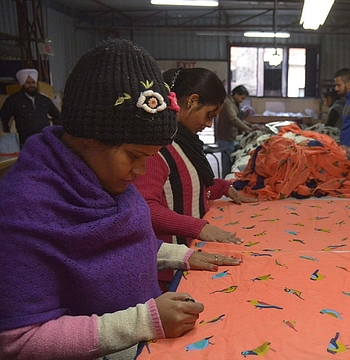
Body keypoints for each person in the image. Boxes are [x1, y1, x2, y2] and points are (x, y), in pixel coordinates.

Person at [0, 39, 242, 360]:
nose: (140, 172)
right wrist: (141, 322)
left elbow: (125, 244)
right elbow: (18, 340)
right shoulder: (24, 211)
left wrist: (179, 256)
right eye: (133, 155)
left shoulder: (105, 179)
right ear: (86, 137)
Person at [134, 67, 257, 290]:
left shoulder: (184, 143)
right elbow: (146, 207)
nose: (209, 124)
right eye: (209, 114)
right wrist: (198, 227)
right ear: (191, 101)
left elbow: (187, 184)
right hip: (167, 273)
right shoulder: (157, 149)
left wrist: (223, 187)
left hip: (189, 258)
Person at [0, 68, 61, 147]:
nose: (31, 85)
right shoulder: (13, 100)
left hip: (45, 141)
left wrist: (55, 132)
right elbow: (3, 118)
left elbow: (57, 115)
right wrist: (7, 134)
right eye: (28, 83)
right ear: (22, 83)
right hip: (26, 143)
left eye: (33, 82)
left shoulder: (44, 99)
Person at [216, 84, 252, 177]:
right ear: (235, 94)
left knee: (232, 163)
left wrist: (251, 126)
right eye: (241, 97)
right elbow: (233, 119)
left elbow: (239, 118)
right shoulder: (228, 103)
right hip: (226, 137)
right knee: (227, 164)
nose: (242, 100)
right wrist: (247, 129)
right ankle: (226, 183)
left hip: (232, 137)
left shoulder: (235, 103)